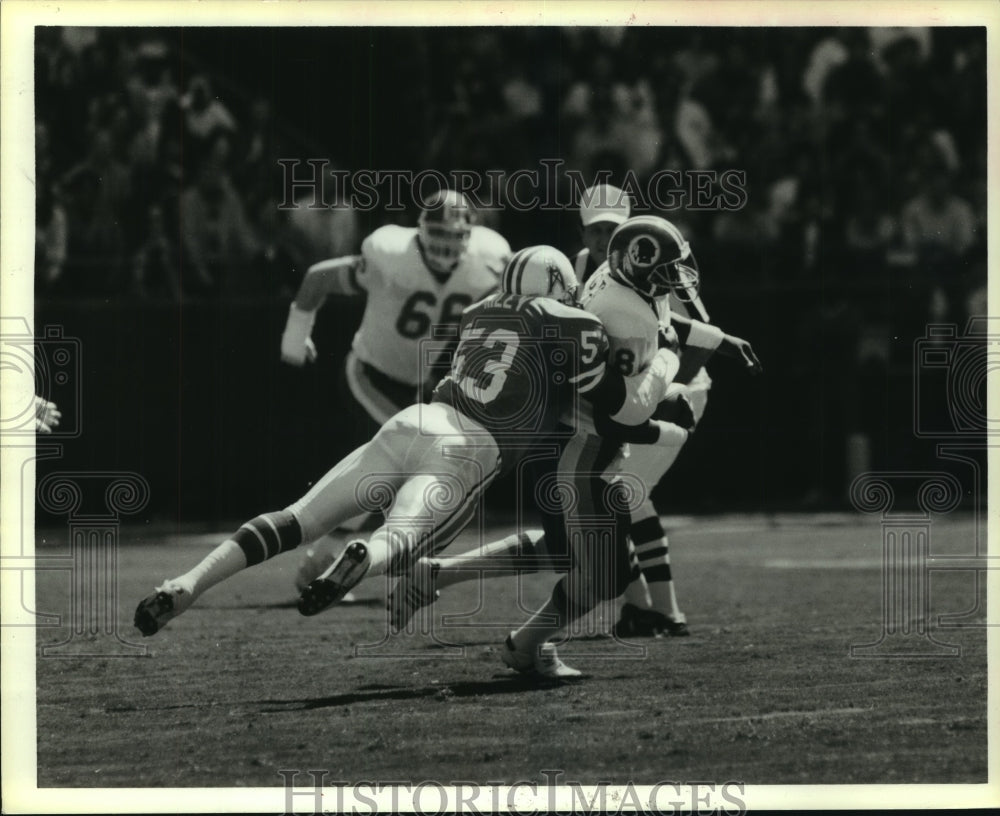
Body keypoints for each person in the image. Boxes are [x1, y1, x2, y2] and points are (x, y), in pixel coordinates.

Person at [135, 246, 680, 679]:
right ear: (562, 288)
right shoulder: (573, 325)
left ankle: (187, 583)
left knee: (299, 517)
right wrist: (665, 374)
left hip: (415, 419)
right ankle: (363, 554)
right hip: (468, 447)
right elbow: (614, 406)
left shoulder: (478, 312)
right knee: (397, 541)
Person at [389, 216, 762, 641]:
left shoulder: (606, 281)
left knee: (572, 550)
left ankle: (444, 576)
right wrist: (665, 386)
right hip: (573, 444)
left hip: (564, 438)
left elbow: (657, 330)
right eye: (665, 271)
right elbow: (616, 413)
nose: (674, 279)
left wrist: (712, 341)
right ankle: (529, 644)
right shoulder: (613, 314)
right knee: (604, 568)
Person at [282, 188, 510, 573]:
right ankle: (359, 552)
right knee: (409, 460)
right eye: (438, 234)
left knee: (391, 470)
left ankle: (326, 556)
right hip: (369, 373)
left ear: (470, 236)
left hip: (417, 383)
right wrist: (295, 336)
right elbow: (318, 278)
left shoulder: (487, 263)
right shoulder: (391, 256)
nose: (445, 245)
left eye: (455, 237)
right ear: (420, 230)